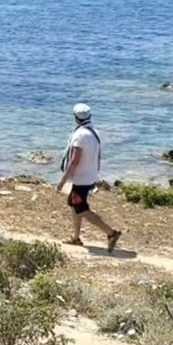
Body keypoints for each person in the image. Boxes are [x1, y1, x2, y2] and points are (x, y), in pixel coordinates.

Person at [56, 103, 121, 252]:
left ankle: (111, 233)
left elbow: (74, 161)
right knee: (74, 205)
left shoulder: (80, 135)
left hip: (81, 179)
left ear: (75, 118)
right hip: (89, 176)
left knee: (82, 209)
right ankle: (76, 237)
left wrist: (62, 181)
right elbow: (98, 156)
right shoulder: (94, 132)